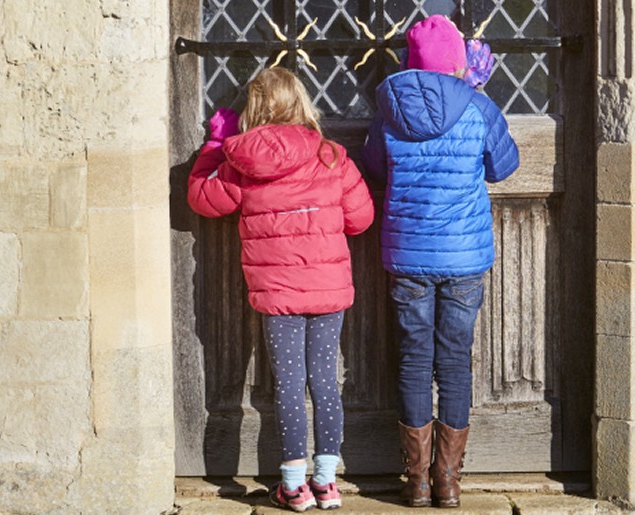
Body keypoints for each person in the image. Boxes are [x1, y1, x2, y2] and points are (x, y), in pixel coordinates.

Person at [187, 67, 375, 512]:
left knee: (290, 384)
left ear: (254, 109)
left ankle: (293, 485)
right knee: (325, 381)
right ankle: (327, 482)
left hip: (278, 294)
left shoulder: (243, 164)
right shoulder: (331, 156)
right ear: (301, 102)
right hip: (328, 290)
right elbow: (360, 218)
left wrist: (214, 146)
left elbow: (201, 198)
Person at [361, 14, 519, 509]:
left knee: (413, 361)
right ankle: (448, 482)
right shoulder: (478, 106)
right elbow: (505, 165)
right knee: (453, 362)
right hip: (463, 257)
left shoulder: (388, 110)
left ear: (412, 64)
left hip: (408, 255)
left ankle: (416, 482)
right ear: (458, 62)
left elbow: (373, 169)